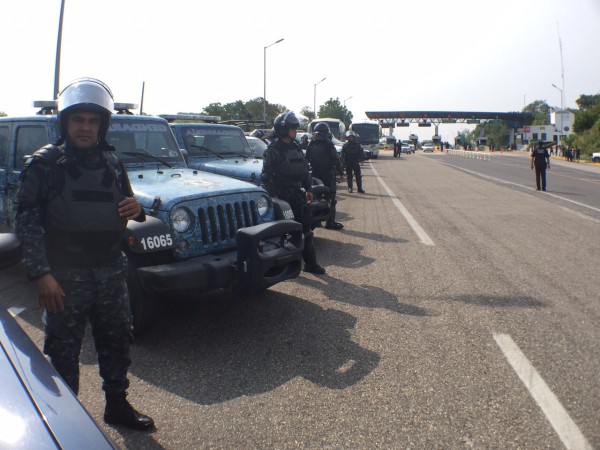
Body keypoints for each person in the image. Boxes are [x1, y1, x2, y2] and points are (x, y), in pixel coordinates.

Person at [15, 78, 154, 431]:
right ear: (66, 122)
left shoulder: (111, 163)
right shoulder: (44, 165)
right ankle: (67, 424)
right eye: (79, 120)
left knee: (117, 342)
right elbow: (27, 222)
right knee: (63, 353)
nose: (86, 127)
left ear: (102, 125)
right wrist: (41, 274)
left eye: (93, 121)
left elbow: (131, 207)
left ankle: (117, 406)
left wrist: (137, 209)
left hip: (110, 271)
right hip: (64, 277)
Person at [261, 111, 326, 274]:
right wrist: (274, 198)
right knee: (282, 233)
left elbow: (304, 170)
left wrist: (308, 189)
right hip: (281, 196)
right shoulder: (273, 150)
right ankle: (281, 267)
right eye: (293, 128)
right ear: (283, 129)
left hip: (297, 194)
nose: (296, 131)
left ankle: (310, 264)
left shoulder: (296, 146)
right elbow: (266, 177)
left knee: (306, 230)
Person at [305, 123, 344, 230]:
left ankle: (316, 221)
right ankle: (330, 222)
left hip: (315, 174)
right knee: (331, 198)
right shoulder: (328, 143)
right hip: (328, 174)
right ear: (326, 132)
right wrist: (341, 173)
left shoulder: (311, 143)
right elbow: (336, 159)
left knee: (317, 197)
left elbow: (306, 159)